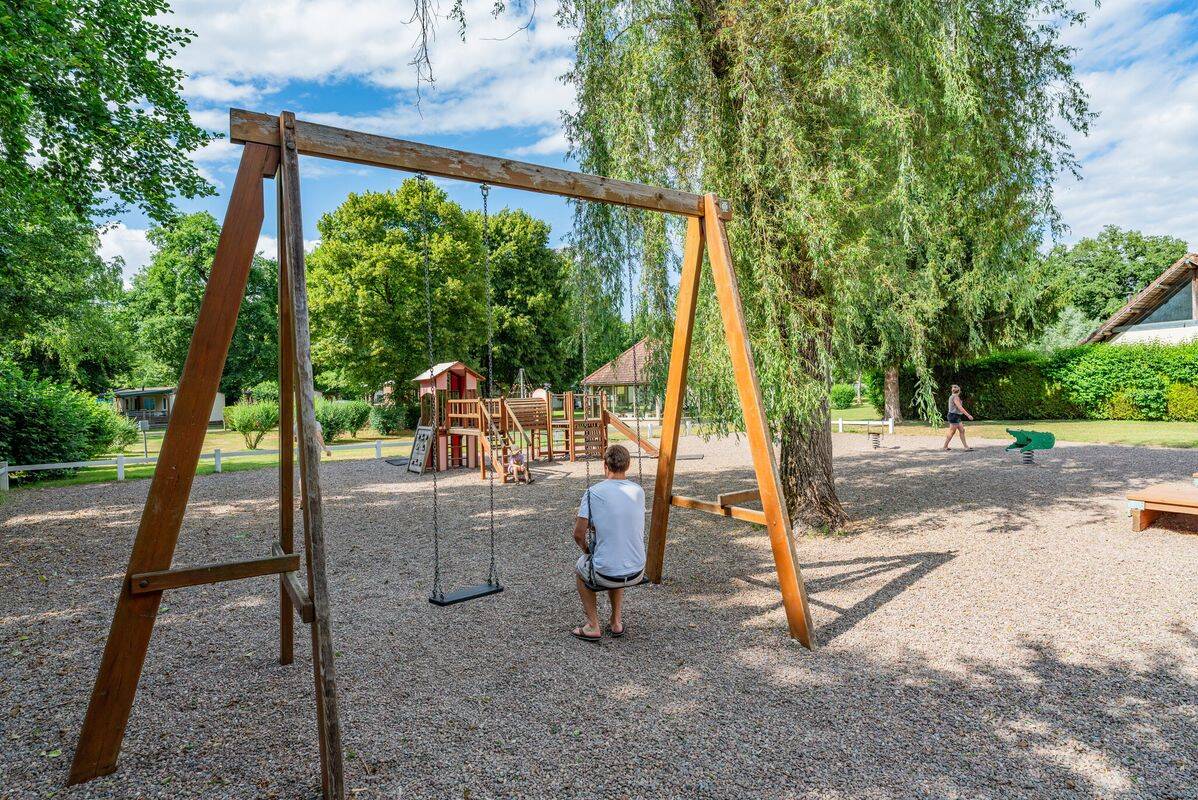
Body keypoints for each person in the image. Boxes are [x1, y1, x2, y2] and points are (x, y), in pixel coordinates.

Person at [571, 444, 645, 642]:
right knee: (616, 553)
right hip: (637, 571)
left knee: (581, 568)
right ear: (628, 466)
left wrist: (588, 551)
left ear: (605, 465)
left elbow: (578, 534)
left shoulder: (593, 492)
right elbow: (623, 521)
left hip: (606, 573)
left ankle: (593, 625)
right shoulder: (638, 491)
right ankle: (616, 621)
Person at [942, 384, 974, 451]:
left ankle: (966, 447)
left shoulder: (953, 396)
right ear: (959, 391)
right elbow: (960, 407)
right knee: (952, 432)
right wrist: (968, 415)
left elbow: (958, 408)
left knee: (962, 430)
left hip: (955, 415)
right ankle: (945, 446)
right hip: (954, 416)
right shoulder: (955, 397)